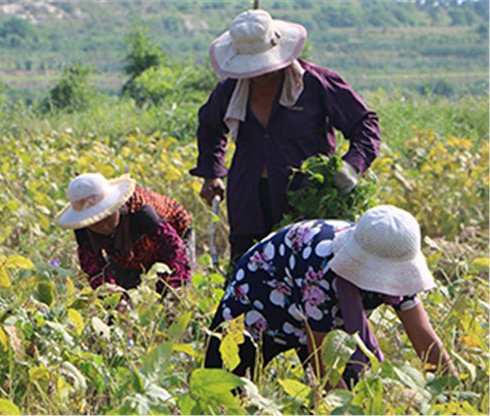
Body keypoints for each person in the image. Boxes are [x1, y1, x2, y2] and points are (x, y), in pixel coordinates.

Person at [190, 9, 381, 270]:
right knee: (248, 277)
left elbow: (365, 124)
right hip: (249, 199)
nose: (259, 73)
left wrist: (352, 165)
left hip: (306, 201)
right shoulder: (230, 90)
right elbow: (210, 127)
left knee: (308, 278)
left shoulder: (314, 84)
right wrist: (212, 174)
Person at [204, 205, 457, 389]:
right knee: (223, 390)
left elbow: (426, 340)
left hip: (317, 315)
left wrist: (455, 393)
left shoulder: (394, 255)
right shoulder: (320, 269)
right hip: (259, 303)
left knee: (356, 385)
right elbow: (323, 368)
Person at [55, 172, 193, 297]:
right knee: (121, 294)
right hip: (125, 249)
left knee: (172, 295)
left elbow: (174, 249)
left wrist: (169, 291)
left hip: (173, 232)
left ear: (116, 208)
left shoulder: (141, 212)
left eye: (106, 216)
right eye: (96, 221)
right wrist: (113, 299)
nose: (104, 225)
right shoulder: (83, 227)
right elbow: (94, 268)